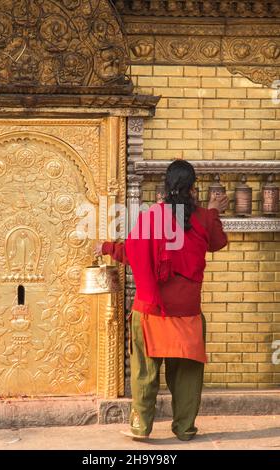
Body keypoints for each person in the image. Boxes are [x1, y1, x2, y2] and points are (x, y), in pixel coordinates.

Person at [94, 160, 228, 441]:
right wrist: (214, 212)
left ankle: (141, 427)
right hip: (187, 313)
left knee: (144, 371)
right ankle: (185, 428)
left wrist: (107, 248)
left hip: (151, 309)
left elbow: (134, 254)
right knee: (187, 375)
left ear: (166, 188)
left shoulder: (152, 216)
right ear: (194, 188)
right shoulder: (203, 218)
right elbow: (217, 242)